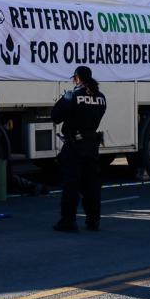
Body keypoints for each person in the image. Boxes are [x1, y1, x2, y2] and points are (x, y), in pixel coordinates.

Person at [51, 66, 107, 233]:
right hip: (91, 144)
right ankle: (93, 220)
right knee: (91, 185)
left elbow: (55, 116)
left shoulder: (72, 95)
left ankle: (68, 221)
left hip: (74, 145)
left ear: (77, 78)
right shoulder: (101, 98)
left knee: (71, 184)